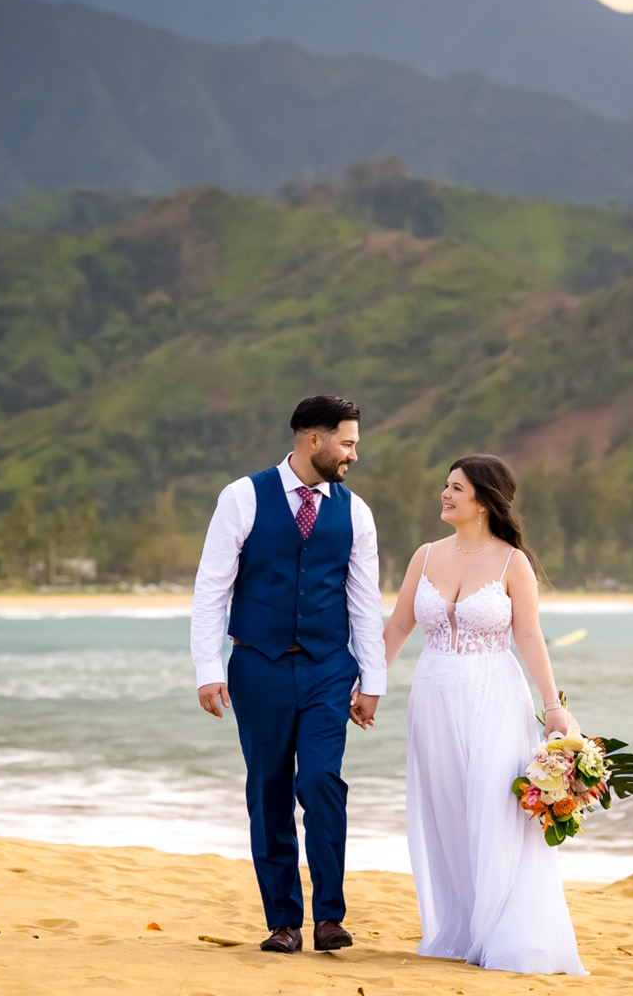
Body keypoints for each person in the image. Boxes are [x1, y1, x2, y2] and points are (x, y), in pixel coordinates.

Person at [189, 395, 386, 954]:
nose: (352, 454)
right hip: (259, 667)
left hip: (328, 667)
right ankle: (283, 922)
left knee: (321, 782)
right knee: (268, 790)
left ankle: (329, 916)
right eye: (346, 443)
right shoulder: (243, 496)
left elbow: (364, 603)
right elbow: (212, 589)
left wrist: (372, 682)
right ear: (313, 440)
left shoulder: (357, 511)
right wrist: (208, 668)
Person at [378, 453, 586, 975]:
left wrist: (554, 706)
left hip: (494, 694)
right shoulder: (425, 556)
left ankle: (507, 932)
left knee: (494, 809)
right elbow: (400, 626)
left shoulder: (512, 562)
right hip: (432, 695)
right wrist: (369, 687)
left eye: (456, 488)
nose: (445, 495)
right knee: (446, 810)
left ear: (484, 500)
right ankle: (462, 928)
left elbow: (529, 636)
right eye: (445, 486)